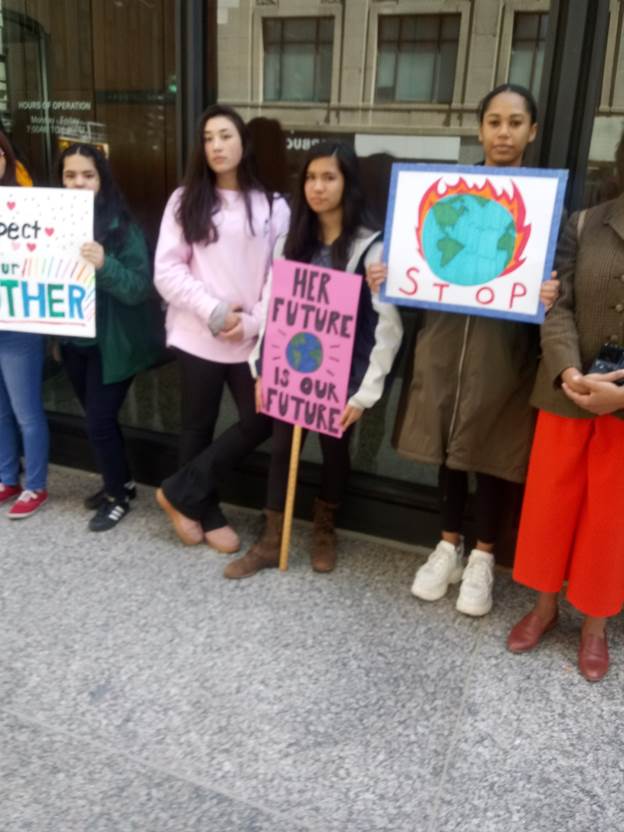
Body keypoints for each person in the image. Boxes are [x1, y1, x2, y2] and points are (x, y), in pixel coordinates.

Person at [367, 84, 558, 616]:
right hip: (445, 344)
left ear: (532, 131)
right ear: (479, 129)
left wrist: (552, 290)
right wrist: (388, 275)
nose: (504, 133)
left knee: (494, 451)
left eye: (515, 123)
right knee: (446, 445)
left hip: (506, 353)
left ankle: (483, 558)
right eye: (494, 122)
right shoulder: (443, 195)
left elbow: (560, 276)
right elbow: (415, 262)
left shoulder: (546, 206)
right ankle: (448, 546)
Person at [220, 140, 403, 578]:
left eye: (329, 177)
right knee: (282, 447)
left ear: (347, 183)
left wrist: (364, 393)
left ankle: (324, 528)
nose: (318, 187)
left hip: (344, 372)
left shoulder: (371, 249)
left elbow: (387, 326)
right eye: (311, 178)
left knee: (335, 450)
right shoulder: (290, 242)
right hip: (292, 366)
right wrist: (262, 368)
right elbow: (273, 308)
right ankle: (271, 539)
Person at [507, 156, 624, 681]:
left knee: (610, 521)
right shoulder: (584, 222)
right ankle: (544, 606)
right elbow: (559, 305)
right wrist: (568, 370)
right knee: (550, 507)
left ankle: (595, 626)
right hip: (567, 393)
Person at [153, 105, 290, 553]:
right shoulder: (185, 200)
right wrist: (213, 311)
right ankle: (203, 509)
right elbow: (167, 271)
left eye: (225, 135)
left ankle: (178, 491)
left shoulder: (273, 206)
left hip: (250, 340)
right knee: (197, 424)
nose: (216, 145)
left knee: (262, 420)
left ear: (243, 143)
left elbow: (279, 276)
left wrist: (251, 322)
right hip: (197, 333)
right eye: (208, 137)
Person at [59, 143, 160, 531]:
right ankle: (123, 482)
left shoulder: (123, 228)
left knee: (99, 422)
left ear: (102, 179)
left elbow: (139, 288)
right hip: (73, 341)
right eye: (70, 175)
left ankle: (117, 497)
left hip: (112, 345)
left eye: (88, 175)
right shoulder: (52, 224)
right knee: (98, 419)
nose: (78, 183)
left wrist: (104, 264)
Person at [0, 130, 49, 519]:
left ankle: (35, 484)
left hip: (20, 321)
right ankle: (7, 479)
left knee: (26, 411)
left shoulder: (30, 202)